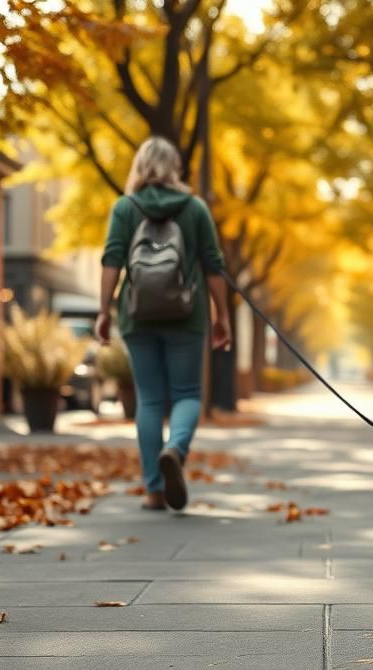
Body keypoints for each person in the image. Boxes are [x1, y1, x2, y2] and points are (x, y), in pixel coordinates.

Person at [96, 137, 231, 511]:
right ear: (175, 167)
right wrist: (223, 316)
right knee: (187, 394)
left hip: (138, 315)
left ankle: (155, 490)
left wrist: (104, 311)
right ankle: (176, 448)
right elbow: (212, 264)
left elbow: (112, 260)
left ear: (139, 166)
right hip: (186, 316)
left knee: (150, 400)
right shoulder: (194, 208)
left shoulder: (125, 208)